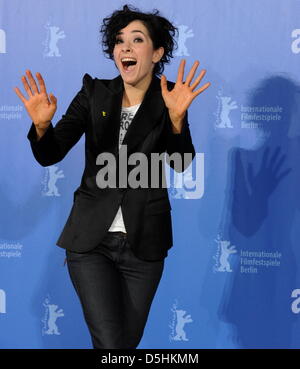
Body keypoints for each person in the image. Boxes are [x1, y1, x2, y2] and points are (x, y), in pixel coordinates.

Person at [14, 4, 210, 349]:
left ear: (157, 53)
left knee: (125, 346)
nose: (126, 48)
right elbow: (50, 154)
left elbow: (180, 163)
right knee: (111, 345)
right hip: (91, 243)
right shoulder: (94, 93)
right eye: (119, 41)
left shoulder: (169, 98)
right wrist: (42, 126)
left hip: (145, 244)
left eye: (137, 40)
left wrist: (178, 119)